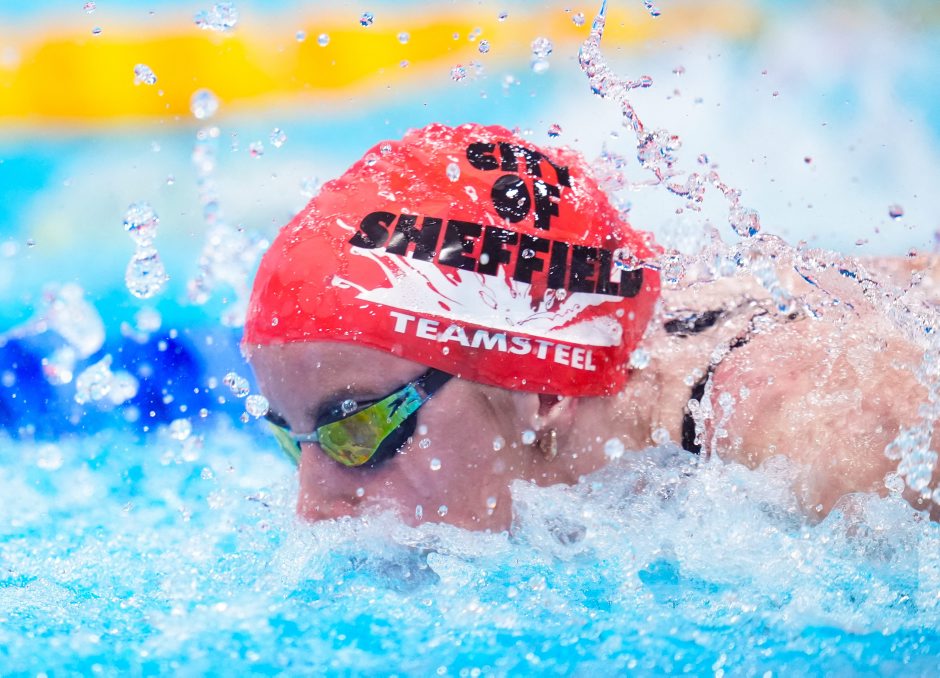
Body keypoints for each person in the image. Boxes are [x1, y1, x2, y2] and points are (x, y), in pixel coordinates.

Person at [243, 122, 939, 531]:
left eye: (358, 430)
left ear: (543, 388)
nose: (312, 507)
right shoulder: (597, 334)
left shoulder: (835, 445)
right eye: (290, 441)